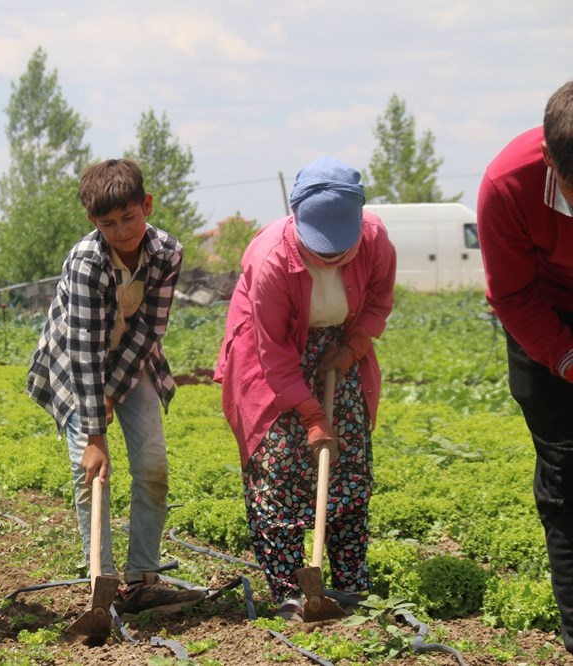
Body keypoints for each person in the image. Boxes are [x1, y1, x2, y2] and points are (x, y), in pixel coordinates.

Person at [214, 157, 396, 621]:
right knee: (278, 469)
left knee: (349, 463)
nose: (332, 257)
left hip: (338, 347)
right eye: (322, 248)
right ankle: (291, 590)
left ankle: (351, 584)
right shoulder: (272, 257)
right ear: (297, 218)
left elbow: (378, 298)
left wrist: (354, 344)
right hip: (271, 356)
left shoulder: (375, 240)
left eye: (341, 248)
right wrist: (312, 416)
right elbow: (272, 351)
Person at [27, 159, 205, 617]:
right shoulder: (87, 260)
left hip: (134, 357)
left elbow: (149, 329)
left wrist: (114, 390)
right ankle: (100, 585)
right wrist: (94, 433)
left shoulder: (167, 251)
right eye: (108, 223)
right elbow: (83, 350)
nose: (122, 230)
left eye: (130, 217)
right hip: (75, 366)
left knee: (152, 466)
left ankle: (142, 579)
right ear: (93, 221)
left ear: (146, 205)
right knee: (91, 474)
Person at [477, 80, 573, 654]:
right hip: (542, 314)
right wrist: (565, 358)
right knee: (565, 475)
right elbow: (512, 295)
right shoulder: (506, 185)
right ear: (550, 158)